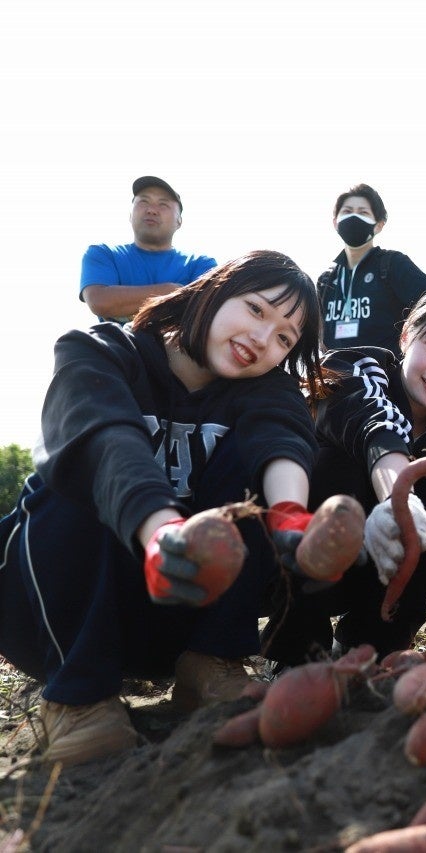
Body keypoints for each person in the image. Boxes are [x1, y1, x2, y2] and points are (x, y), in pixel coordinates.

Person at [0, 250, 361, 765]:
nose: (263, 340)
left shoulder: (264, 390)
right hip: (53, 609)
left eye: (284, 338)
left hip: (176, 607)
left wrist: (291, 520)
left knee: (255, 467)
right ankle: (79, 699)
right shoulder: (96, 351)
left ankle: (210, 661)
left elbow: (281, 440)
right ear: (212, 291)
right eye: (256, 310)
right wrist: (162, 533)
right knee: (79, 479)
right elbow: (110, 446)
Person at [261, 288, 426, 666]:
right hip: (283, 559)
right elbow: (375, 427)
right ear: (407, 336)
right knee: (341, 468)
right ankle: (297, 651)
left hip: (380, 571)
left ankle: (373, 645)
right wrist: (397, 500)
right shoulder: (356, 369)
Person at [317, 183, 426, 352]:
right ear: (336, 223)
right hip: (338, 375)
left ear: (379, 225)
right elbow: (321, 335)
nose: (353, 217)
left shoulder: (393, 264)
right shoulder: (326, 280)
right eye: (347, 211)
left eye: (363, 212)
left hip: (384, 375)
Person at [80, 176, 218, 324]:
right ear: (130, 214)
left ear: (179, 221)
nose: (152, 210)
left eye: (163, 204)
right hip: (118, 346)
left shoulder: (202, 265)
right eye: (143, 201)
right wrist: (172, 291)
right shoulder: (103, 254)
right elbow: (100, 301)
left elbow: (205, 313)